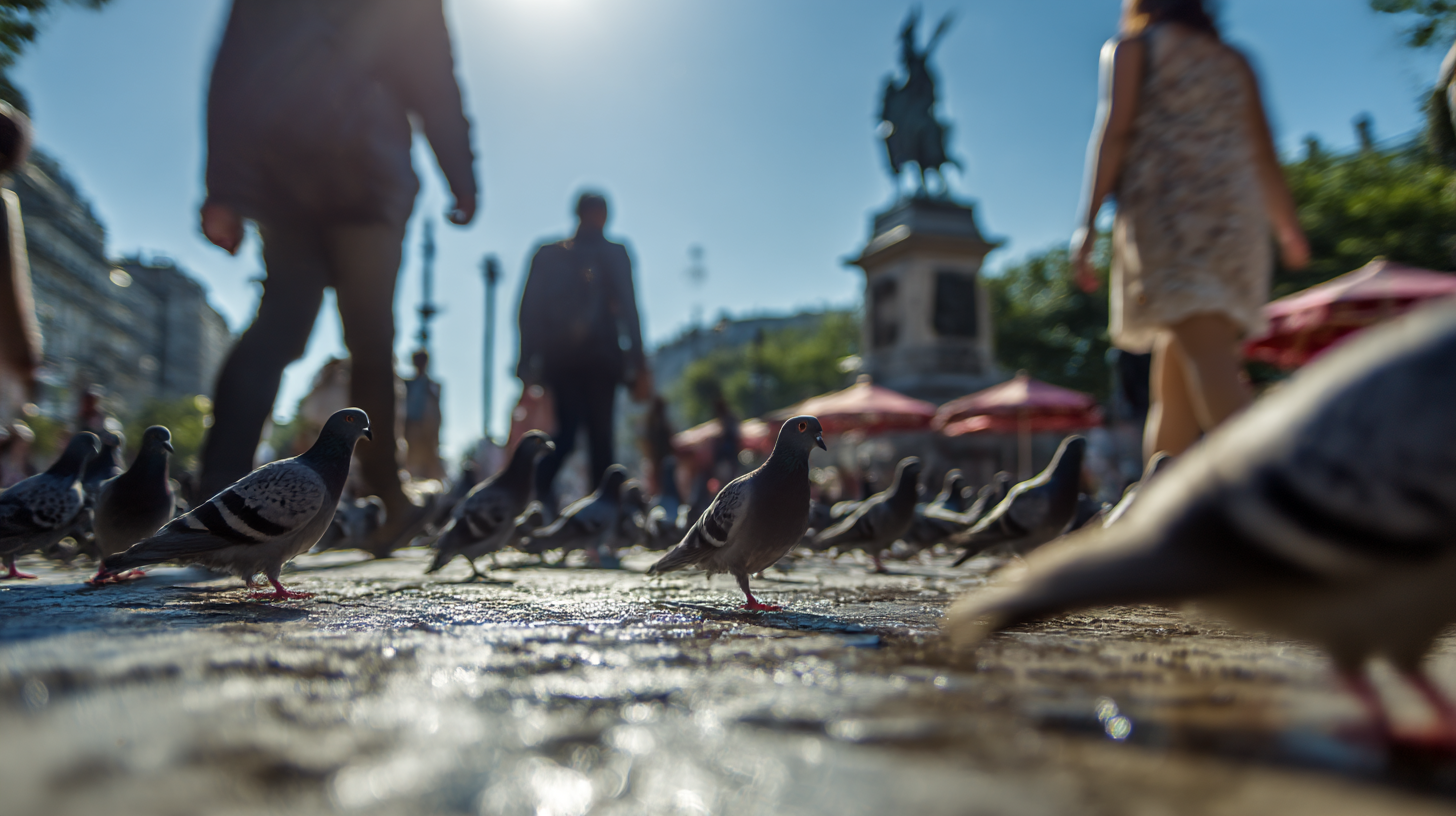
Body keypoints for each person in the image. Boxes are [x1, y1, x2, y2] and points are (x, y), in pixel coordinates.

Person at [196, 0, 477, 554]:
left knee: (279, 324)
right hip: (369, 171)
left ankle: (216, 492)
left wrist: (223, 187)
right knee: (371, 341)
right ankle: (390, 499)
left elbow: (233, 71)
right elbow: (435, 82)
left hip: (284, 165)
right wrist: (461, 177)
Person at [1072, 0, 1308, 462]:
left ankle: (1275, 496)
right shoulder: (1235, 60)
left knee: (1208, 361)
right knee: (1177, 376)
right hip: (1237, 223)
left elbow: (1114, 133)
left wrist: (1087, 225)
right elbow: (1263, 150)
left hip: (1173, 215)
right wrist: (1286, 227)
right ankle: (1153, 508)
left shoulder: (1132, 49)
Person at [517, 192, 650, 510]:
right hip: (603, 357)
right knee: (601, 437)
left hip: (559, 358)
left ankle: (534, 498)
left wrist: (526, 363)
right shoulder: (614, 253)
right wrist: (639, 364)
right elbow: (630, 310)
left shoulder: (548, 253)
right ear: (604, 215)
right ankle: (603, 516)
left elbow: (528, 311)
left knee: (564, 433)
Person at [403, 349, 445, 482]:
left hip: (427, 428)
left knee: (429, 464)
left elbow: (437, 410)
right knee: (409, 461)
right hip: (410, 427)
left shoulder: (433, 386)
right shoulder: (406, 384)